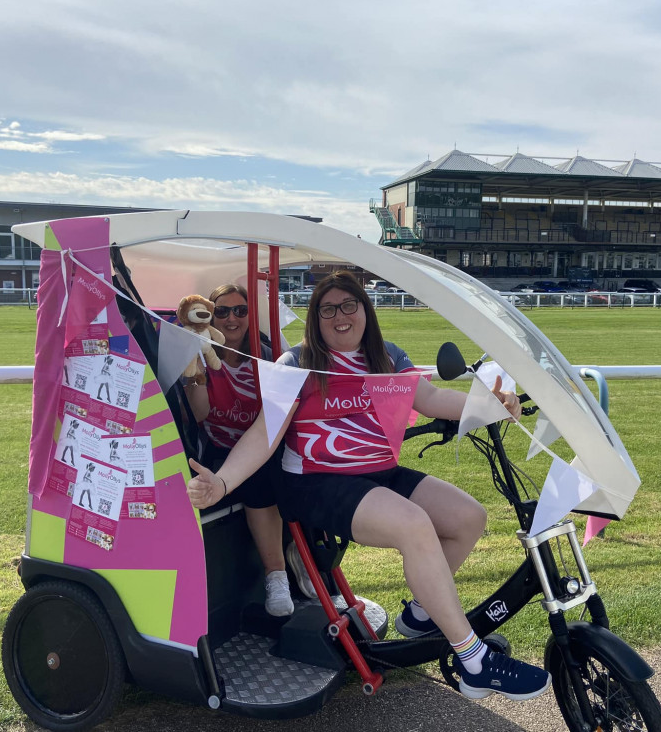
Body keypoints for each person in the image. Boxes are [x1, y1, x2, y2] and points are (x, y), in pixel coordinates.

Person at [187, 272, 550, 702]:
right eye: (327, 308)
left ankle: (419, 615)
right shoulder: (297, 363)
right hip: (316, 481)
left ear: (365, 310)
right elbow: (266, 431)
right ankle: (474, 661)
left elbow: (430, 399)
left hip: (377, 470)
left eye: (348, 305)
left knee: (469, 517)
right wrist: (223, 481)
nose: (339, 316)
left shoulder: (387, 356)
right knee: (414, 525)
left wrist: (491, 406)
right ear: (315, 319)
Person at [183, 283, 315, 617]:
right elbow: (199, 414)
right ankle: (276, 575)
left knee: (304, 462)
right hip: (222, 449)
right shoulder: (200, 352)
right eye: (222, 311)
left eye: (240, 310)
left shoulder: (270, 354)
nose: (232, 318)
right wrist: (193, 371)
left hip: (268, 444)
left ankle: (302, 550)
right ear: (210, 315)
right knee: (258, 475)